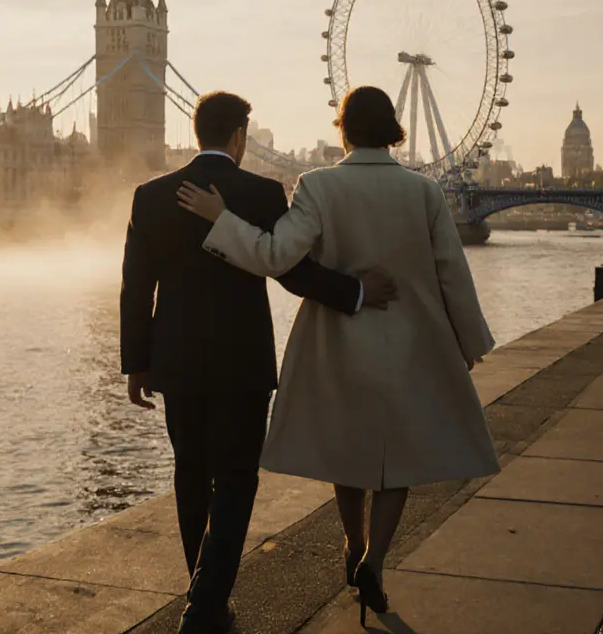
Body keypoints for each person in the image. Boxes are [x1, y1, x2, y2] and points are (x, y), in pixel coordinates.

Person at [176, 86, 499, 627]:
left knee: (348, 450)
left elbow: (276, 255)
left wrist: (221, 220)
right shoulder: (424, 191)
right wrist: (469, 343)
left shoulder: (317, 186)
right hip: (412, 341)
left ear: (343, 129)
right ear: (393, 128)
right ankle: (375, 560)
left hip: (340, 341)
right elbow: (452, 274)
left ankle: (352, 542)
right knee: (399, 460)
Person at [120, 91, 397, 634]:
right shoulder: (261, 192)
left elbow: (136, 287)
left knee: (190, 475)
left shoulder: (149, 196)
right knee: (237, 478)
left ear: (198, 132)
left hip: (175, 364)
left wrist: (137, 363)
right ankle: (204, 606)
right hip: (242, 365)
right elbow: (292, 271)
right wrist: (355, 291)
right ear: (240, 138)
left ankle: (207, 594)